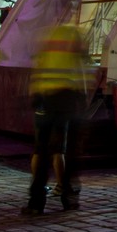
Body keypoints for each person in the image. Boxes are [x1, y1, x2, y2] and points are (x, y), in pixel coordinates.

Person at [24, 19, 85, 214]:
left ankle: (36, 201)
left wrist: (34, 94)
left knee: (42, 151)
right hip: (67, 98)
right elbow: (81, 68)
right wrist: (83, 98)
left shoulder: (47, 36)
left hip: (46, 98)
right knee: (66, 150)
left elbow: (38, 67)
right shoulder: (74, 36)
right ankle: (68, 196)